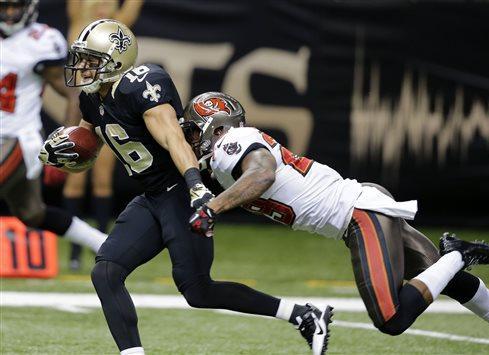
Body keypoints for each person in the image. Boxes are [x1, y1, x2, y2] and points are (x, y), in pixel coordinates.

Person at [38, 19, 332, 355]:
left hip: (179, 192)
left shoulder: (142, 84)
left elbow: (173, 139)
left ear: (116, 58)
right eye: (83, 59)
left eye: (92, 60)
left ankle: (303, 315)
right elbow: (91, 139)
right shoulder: (92, 98)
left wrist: (195, 187)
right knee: (106, 271)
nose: (83, 67)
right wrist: (69, 153)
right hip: (151, 196)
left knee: (198, 291)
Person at [182, 91, 489, 351]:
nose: (192, 140)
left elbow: (263, 172)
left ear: (218, 125)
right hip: (359, 207)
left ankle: (457, 254)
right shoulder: (223, 164)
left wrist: (212, 209)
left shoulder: (230, 143)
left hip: (357, 213)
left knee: (391, 317)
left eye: (195, 131)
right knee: (444, 278)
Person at [0, 0, 106, 253]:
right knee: (32, 213)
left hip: (17, 137)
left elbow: (73, 95)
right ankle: (104, 243)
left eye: (16, 6)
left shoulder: (41, 40)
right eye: (5, 7)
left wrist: (64, 146)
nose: (11, 13)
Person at [63, 0, 145, 271]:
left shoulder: (117, 33)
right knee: (74, 182)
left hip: (109, 110)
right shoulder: (80, 24)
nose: (101, 4)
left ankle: (104, 248)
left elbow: (132, 7)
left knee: (102, 181)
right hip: (80, 110)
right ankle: (74, 254)